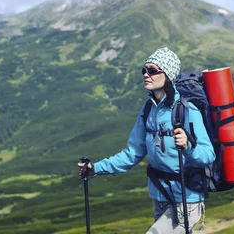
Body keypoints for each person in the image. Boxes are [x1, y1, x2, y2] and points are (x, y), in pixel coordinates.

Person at [78, 47, 215, 233]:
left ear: (168, 75)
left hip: (186, 199)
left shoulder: (187, 110)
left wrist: (189, 147)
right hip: (159, 196)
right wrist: (95, 168)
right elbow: (132, 153)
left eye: (152, 70)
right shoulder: (148, 110)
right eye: (144, 70)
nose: (145, 75)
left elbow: (208, 155)